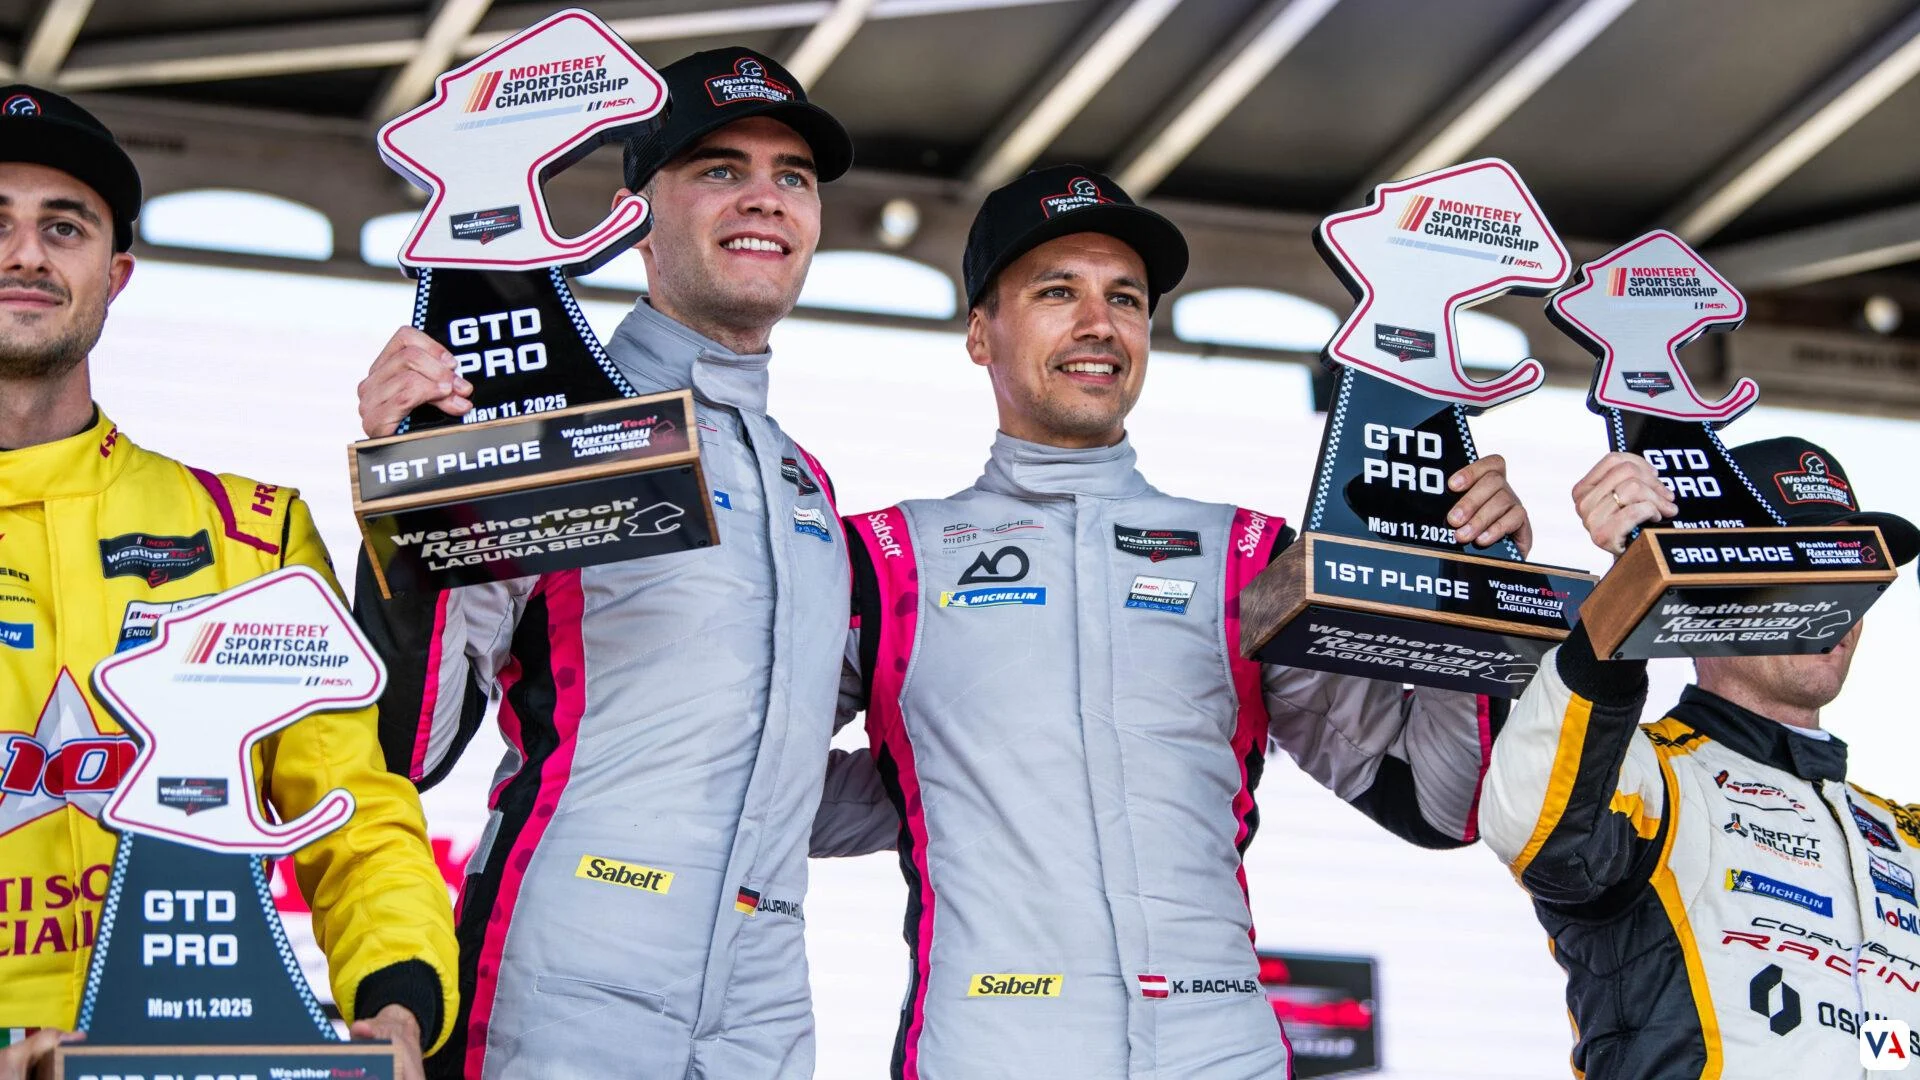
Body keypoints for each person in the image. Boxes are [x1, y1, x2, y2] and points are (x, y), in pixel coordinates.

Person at [812, 164, 1532, 1078]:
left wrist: (1472, 588)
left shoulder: (1253, 557)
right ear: (979, 335)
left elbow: (1442, 800)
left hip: (1219, 1049)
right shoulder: (883, 558)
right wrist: (937, 781)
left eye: (1125, 298)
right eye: (1056, 292)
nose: (1097, 324)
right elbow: (748, 794)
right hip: (989, 1046)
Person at [352, 49, 861, 1079]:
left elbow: (782, 775)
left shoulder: (805, 481)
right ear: (634, 211)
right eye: (720, 169)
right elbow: (407, 740)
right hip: (571, 957)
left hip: (765, 988)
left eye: (791, 177)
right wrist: (414, 494)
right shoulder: (552, 412)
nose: (763, 196)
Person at [0, 86, 456, 1080]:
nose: (25, 254)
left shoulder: (246, 532)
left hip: (191, 1052)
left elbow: (353, 808)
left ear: (116, 274)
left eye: (62, 226)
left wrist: (396, 1008)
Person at [1478, 442, 1920, 1078]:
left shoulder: (1902, 837)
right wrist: (1643, 579)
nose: (1838, 600)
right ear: (1709, 578)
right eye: (1802, 562)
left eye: (1855, 569)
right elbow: (1536, 822)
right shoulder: (1651, 782)